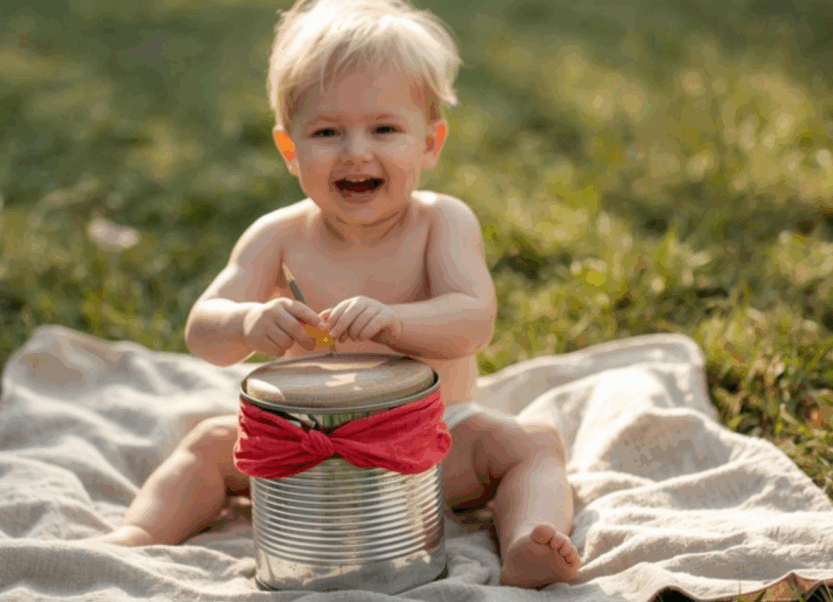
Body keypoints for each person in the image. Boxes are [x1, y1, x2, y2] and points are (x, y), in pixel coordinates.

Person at [91, 0, 580, 588]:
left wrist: (394, 322)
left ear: (429, 144)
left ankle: (529, 541)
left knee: (529, 444)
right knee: (209, 444)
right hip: (302, 455)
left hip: (426, 452)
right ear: (290, 149)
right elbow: (204, 328)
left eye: (384, 128)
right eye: (327, 132)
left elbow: (473, 319)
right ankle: (136, 536)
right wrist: (247, 324)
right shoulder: (279, 235)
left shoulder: (440, 223)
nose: (355, 152)